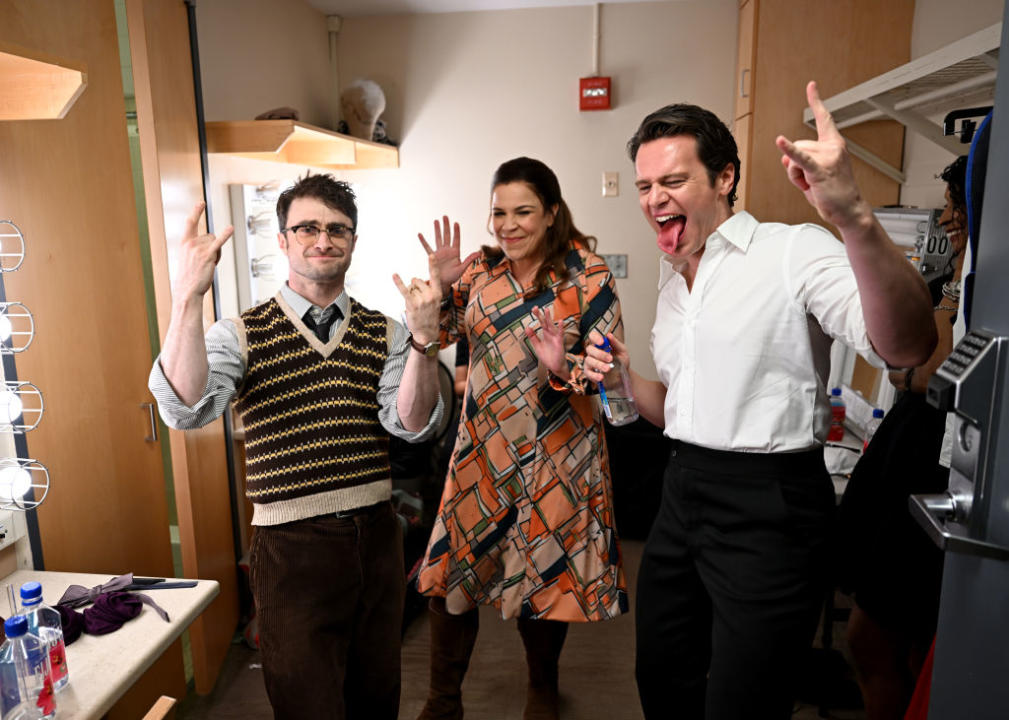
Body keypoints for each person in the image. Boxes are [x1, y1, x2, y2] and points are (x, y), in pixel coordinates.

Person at [583, 82, 936, 719]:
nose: (654, 197)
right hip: (682, 491)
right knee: (662, 677)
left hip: (771, 507)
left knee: (746, 702)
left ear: (724, 178)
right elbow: (682, 411)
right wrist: (621, 380)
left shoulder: (794, 251)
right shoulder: (673, 280)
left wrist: (853, 215)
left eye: (672, 179)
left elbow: (908, 345)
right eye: (643, 185)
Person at [148, 174, 444, 719]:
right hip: (290, 547)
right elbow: (186, 407)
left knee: (377, 698)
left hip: (379, 537)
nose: (322, 239)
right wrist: (187, 297)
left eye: (337, 229)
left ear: (354, 242)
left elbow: (410, 426)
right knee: (307, 703)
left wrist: (424, 342)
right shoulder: (240, 333)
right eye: (306, 227)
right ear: (283, 240)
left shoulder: (387, 332)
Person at [413, 156, 627, 720]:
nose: (508, 225)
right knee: (452, 575)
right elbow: (435, 336)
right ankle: (441, 703)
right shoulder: (481, 273)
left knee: (542, 579)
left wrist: (562, 367)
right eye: (499, 213)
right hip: (483, 451)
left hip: (559, 452)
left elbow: (609, 375)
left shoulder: (589, 274)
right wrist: (440, 286)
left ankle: (542, 692)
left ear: (552, 212)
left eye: (523, 211)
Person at [837, 156, 968, 720]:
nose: (945, 217)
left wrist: (913, 376)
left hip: (932, 472)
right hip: (909, 461)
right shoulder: (952, 280)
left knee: (880, 639)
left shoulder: (974, 283)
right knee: (902, 643)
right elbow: (911, 364)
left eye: (956, 206)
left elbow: (929, 371)